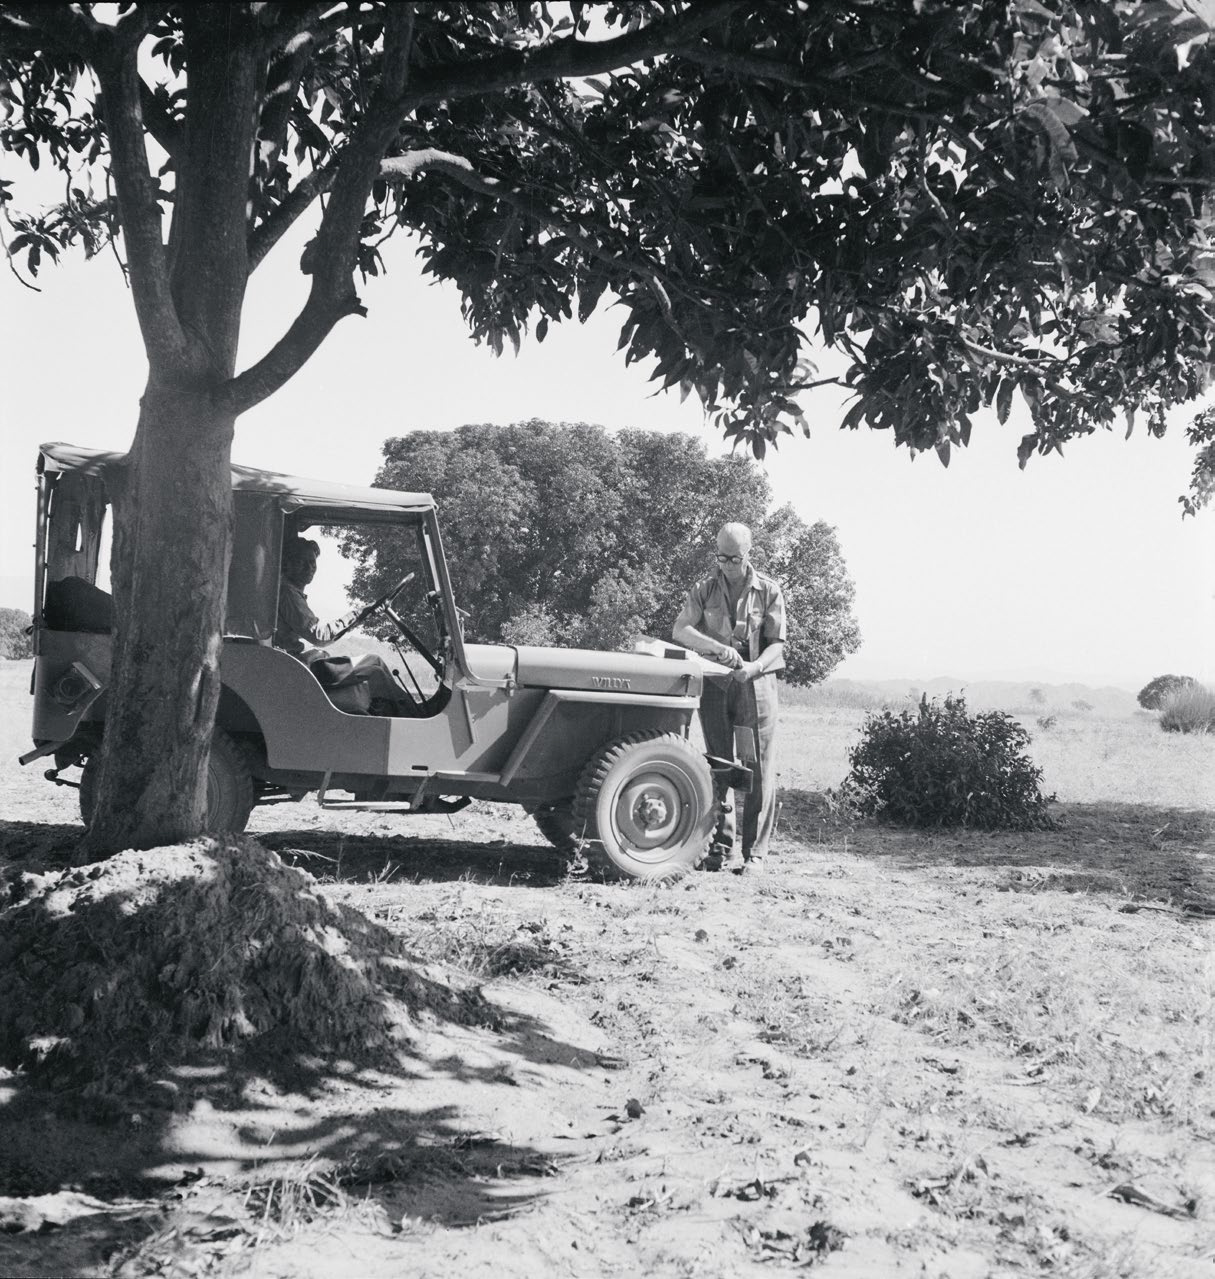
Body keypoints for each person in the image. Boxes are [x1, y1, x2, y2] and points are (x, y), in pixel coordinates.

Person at [672, 521, 786, 873]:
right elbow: (681, 629)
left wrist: (753, 668)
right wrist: (717, 649)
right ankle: (720, 850)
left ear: (748, 553)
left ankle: (755, 855)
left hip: (756, 688)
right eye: (720, 557)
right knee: (719, 766)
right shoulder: (704, 589)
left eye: (733, 558)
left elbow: (778, 646)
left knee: (757, 770)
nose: (726, 564)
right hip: (717, 687)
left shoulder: (769, 591)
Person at [275, 536, 407, 713]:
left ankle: (405, 710)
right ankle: (408, 714)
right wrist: (358, 613)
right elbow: (319, 636)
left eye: (312, 563)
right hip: (301, 668)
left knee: (375, 660)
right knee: (376, 672)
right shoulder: (287, 593)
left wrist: (362, 612)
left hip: (305, 663)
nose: (309, 568)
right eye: (301, 561)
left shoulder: (291, 592)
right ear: (287, 563)